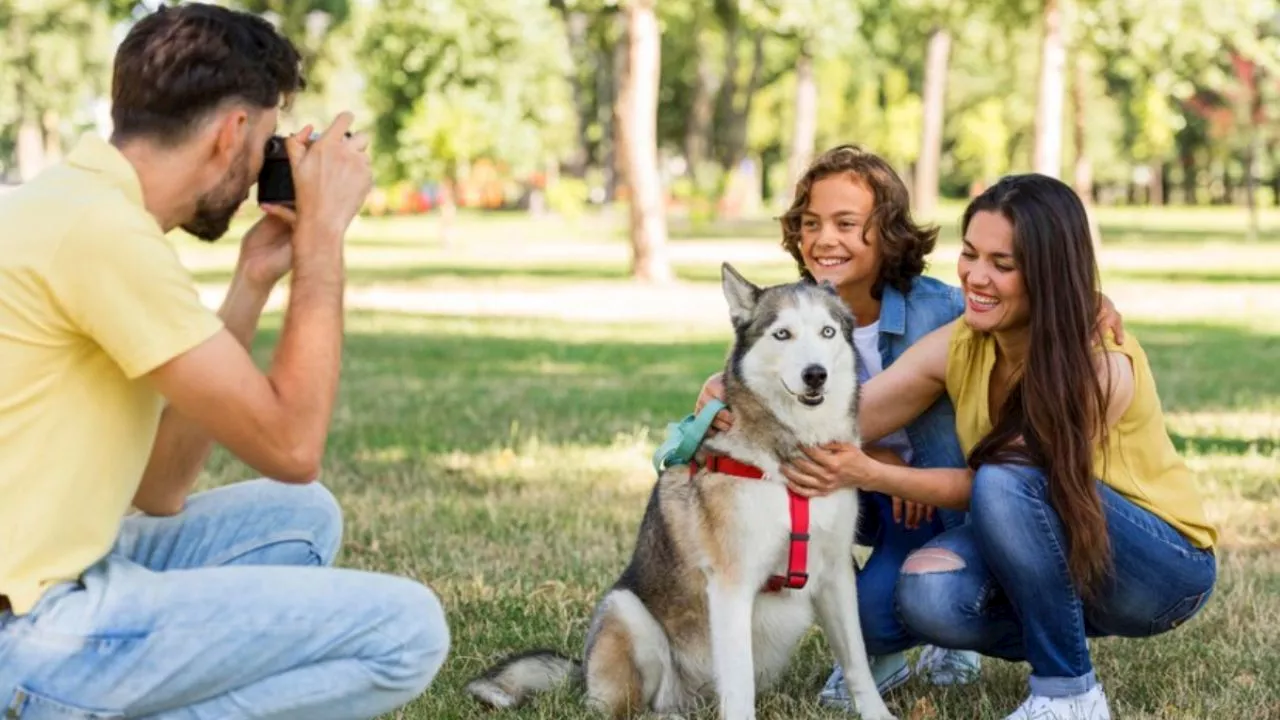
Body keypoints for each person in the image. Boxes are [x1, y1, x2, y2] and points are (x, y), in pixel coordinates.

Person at [0, 4, 448, 718]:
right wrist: (321, 243)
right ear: (234, 131)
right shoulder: (103, 235)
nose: (257, 174)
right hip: (25, 632)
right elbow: (294, 444)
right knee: (405, 631)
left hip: (53, 572)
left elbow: (161, 488)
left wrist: (253, 282)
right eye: (268, 140)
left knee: (300, 520)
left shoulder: (80, 206)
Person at [691, 146, 1127, 711]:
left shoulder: (947, 312)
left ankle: (966, 620)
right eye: (811, 223)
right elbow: (784, 409)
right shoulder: (793, 312)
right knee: (871, 615)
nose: (825, 239)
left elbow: (1023, 302)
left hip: (954, 502)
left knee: (918, 591)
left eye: (848, 224)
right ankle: (884, 649)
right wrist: (721, 390)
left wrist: (1091, 299)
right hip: (871, 499)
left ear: (888, 231)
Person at [769, 173, 1218, 719]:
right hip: (1065, 551)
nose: (976, 278)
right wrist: (737, 399)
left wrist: (871, 472)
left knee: (1010, 477)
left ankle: (1069, 694)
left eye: (1002, 265)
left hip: (1160, 566)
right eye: (970, 255)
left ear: (1048, 275)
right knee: (925, 596)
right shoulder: (964, 342)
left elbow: (1011, 485)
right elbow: (851, 414)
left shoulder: (1101, 363)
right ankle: (1056, 643)